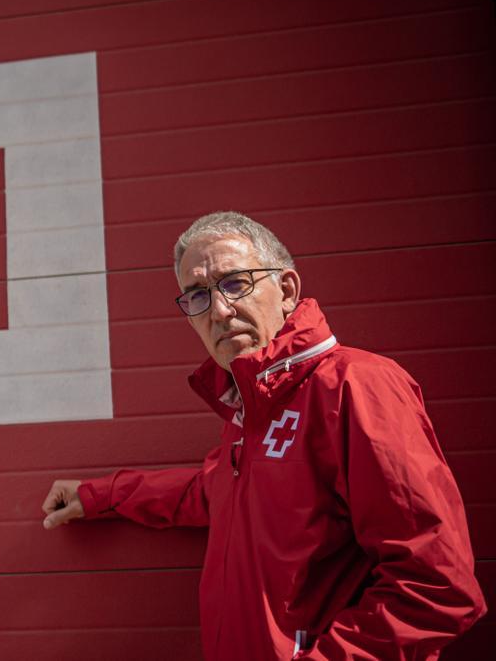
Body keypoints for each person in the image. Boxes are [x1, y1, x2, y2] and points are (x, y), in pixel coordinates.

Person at [42, 212, 486, 659]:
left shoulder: (356, 385)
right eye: (197, 295)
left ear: (287, 291)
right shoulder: (250, 407)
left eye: (235, 283)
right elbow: (210, 492)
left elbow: (436, 586)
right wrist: (98, 495)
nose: (218, 311)